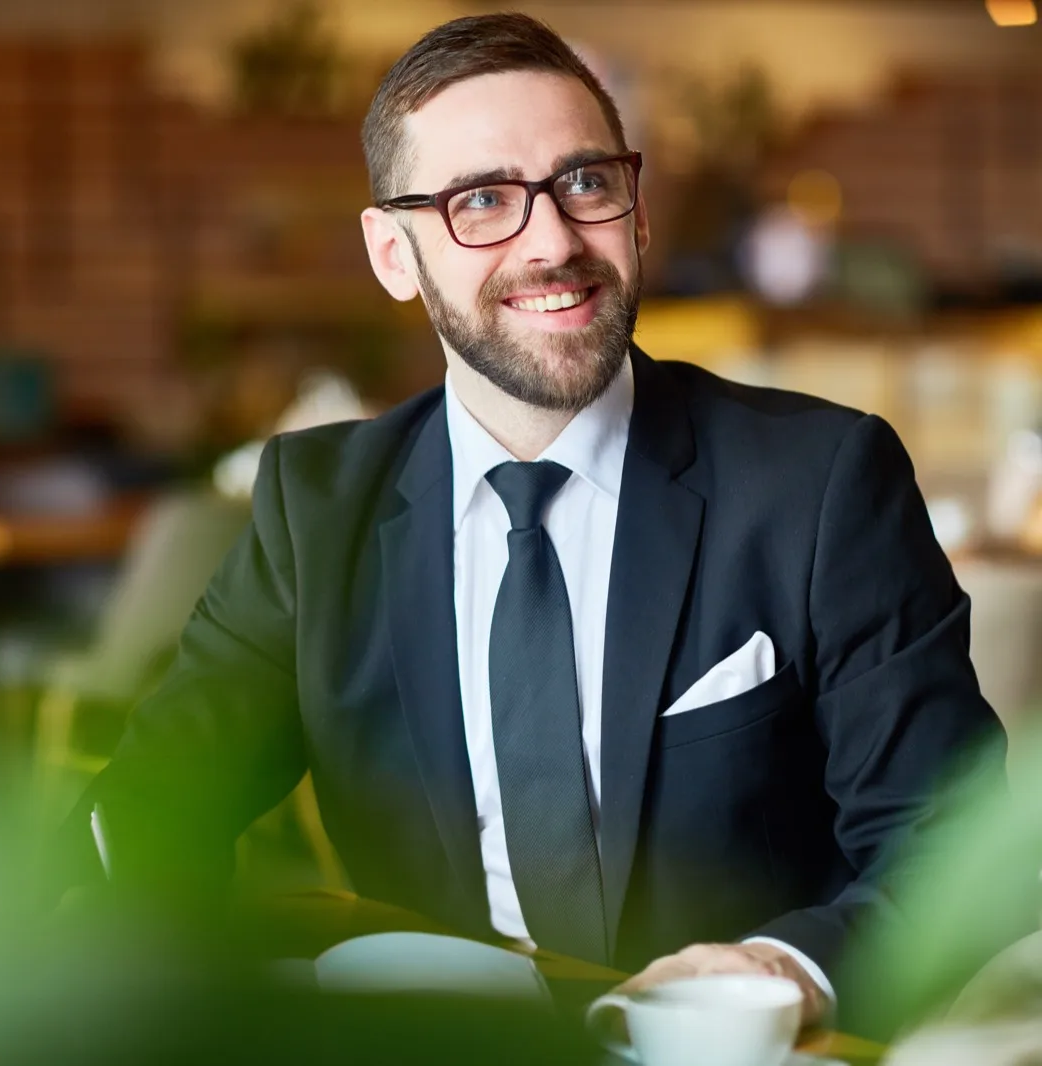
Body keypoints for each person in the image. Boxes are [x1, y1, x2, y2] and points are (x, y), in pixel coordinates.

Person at [66, 12, 1000, 1027]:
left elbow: (954, 849)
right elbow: (156, 800)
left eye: (585, 183)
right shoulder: (316, 509)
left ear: (637, 210)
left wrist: (785, 970)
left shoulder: (819, 481)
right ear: (392, 253)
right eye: (483, 201)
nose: (552, 241)